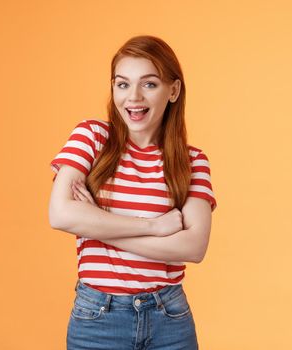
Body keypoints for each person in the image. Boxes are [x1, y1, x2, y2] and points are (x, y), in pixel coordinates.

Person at [48, 35, 217, 350]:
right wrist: (153, 226)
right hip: (98, 317)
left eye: (149, 84)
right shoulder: (92, 137)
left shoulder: (192, 160)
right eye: (122, 84)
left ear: (174, 90)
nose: (133, 98)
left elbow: (194, 247)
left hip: (170, 317)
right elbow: (60, 214)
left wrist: (97, 223)